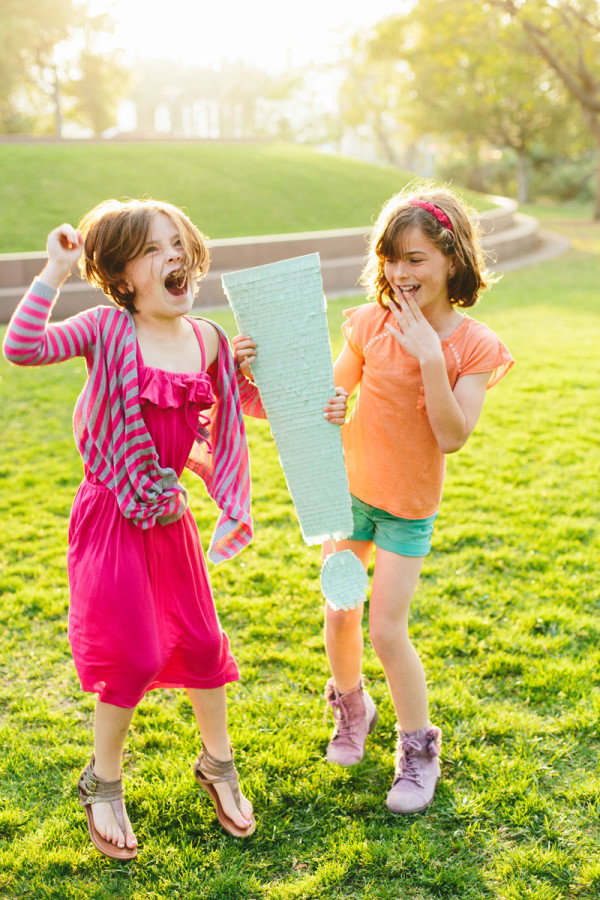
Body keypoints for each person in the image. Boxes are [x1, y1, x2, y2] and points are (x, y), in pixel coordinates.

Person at [234, 185, 514, 815]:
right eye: (391, 258)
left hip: (408, 507)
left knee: (387, 630)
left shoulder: (473, 345)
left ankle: (418, 752)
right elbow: (324, 398)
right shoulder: (368, 322)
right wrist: (260, 369)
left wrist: (431, 362)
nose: (400, 273)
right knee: (339, 612)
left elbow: (453, 437)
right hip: (350, 494)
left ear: (451, 260)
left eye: (415, 258)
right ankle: (350, 707)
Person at [3, 199, 257, 860]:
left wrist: (249, 368)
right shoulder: (106, 329)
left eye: (177, 242)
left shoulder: (206, 339)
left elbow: (237, 403)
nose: (170, 256)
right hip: (111, 517)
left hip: (169, 518)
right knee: (135, 656)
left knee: (203, 645)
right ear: (122, 272)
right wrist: (55, 271)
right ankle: (103, 779)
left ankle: (218, 764)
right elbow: (23, 348)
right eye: (151, 249)